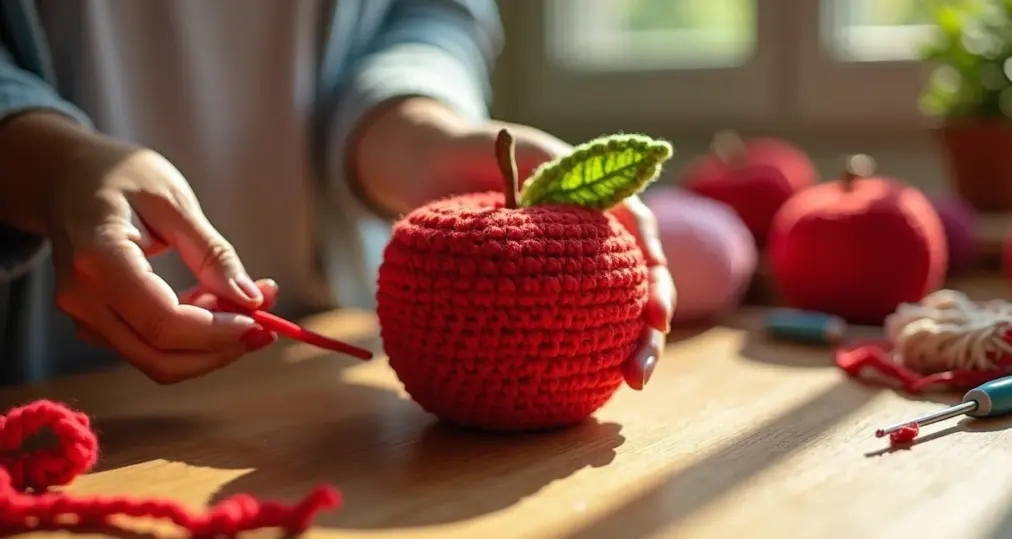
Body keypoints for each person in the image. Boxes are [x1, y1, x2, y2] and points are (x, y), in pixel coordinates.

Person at [0, 0, 675, 387]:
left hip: (337, 390)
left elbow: (433, 11)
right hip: (54, 384)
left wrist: (419, 133)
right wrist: (53, 164)